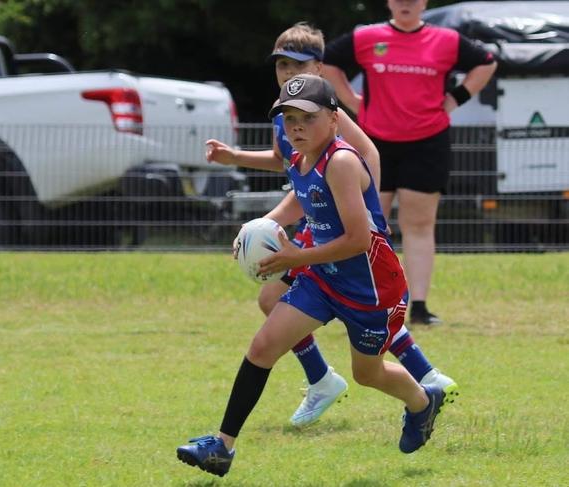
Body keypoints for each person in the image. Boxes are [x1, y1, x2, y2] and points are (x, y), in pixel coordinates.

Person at [177, 75, 447, 477]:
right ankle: (222, 446)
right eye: (288, 118)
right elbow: (299, 199)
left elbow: (358, 239)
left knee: (366, 373)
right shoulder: (299, 154)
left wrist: (296, 255)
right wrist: (258, 226)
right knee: (263, 346)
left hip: (373, 288)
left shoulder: (340, 162)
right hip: (324, 279)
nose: (296, 126)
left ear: (334, 120)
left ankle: (423, 403)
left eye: (307, 117)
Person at [205, 22, 456, 428]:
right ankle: (354, 378)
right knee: (277, 301)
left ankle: (413, 378)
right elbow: (287, 163)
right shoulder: (284, 115)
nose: (287, 73)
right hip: (318, 221)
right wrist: (235, 158)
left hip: (336, 225)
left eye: (297, 65)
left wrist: (363, 204)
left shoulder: (327, 114)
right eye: (281, 65)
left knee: (355, 301)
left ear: (319, 69)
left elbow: (365, 154)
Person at [322, 0, 497, 325]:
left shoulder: (446, 40)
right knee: (371, 226)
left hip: (427, 142)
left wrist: (455, 99)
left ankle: (418, 307)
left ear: (424, 3)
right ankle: (360, 301)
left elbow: (486, 62)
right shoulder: (367, 37)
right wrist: (349, 101)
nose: (406, 4)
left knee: (419, 225)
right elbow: (329, 61)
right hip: (375, 144)